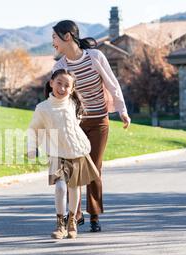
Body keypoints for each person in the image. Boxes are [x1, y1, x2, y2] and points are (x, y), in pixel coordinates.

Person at [51, 20, 131, 232]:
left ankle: (94, 214)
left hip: (98, 121)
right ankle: (75, 214)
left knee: (94, 168)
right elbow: (55, 98)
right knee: (73, 168)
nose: (53, 43)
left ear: (67, 36)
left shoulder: (95, 57)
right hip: (74, 124)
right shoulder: (60, 67)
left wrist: (122, 110)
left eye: (55, 38)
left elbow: (112, 84)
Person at [28, 69, 100, 240]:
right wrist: (32, 148)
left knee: (74, 188)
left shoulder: (73, 104)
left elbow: (75, 123)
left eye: (67, 85)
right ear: (51, 83)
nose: (62, 88)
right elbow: (34, 129)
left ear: (72, 88)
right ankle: (60, 223)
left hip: (75, 151)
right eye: (59, 83)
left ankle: (72, 221)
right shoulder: (43, 108)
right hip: (56, 153)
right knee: (60, 187)